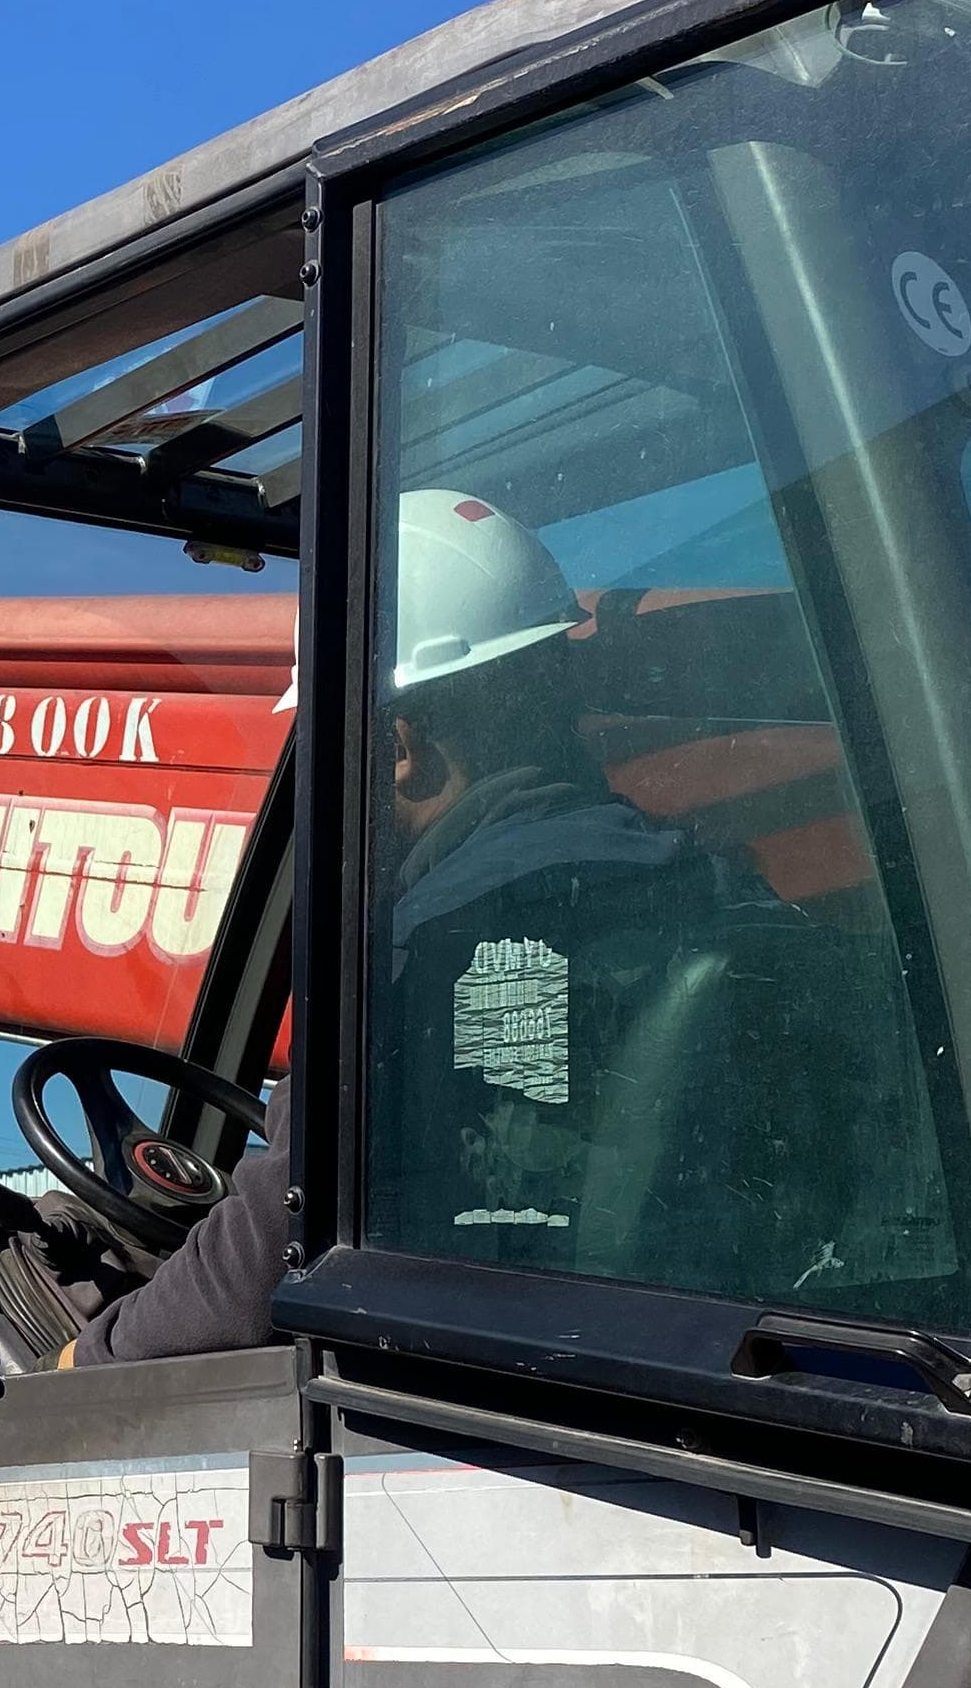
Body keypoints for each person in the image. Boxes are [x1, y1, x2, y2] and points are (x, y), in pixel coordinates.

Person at [64, 490, 751, 1363]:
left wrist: (90, 1358)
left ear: (397, 744)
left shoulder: (412, 964)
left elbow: (254, 1280)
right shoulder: (711, 884)